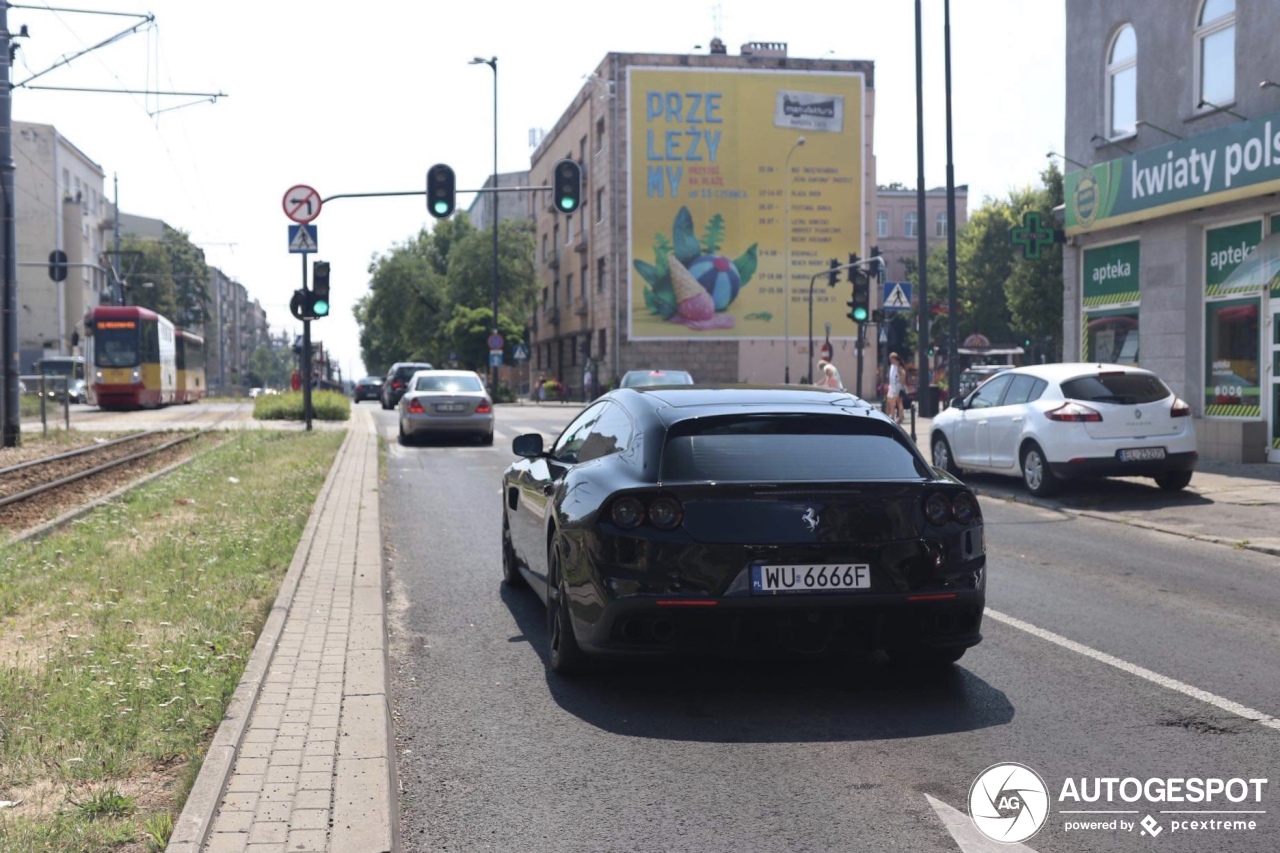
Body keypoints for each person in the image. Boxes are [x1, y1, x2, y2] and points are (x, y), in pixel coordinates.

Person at [887, 352, 905, 423]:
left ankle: (897, 417)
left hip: (897, 386)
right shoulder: (892, 367)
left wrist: (900, 383)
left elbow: (903, 376)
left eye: (892, 359)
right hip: (892, 386)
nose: (891, 360)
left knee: (896, 402)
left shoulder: (899, 367)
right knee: (890, 401)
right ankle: (893, 415)